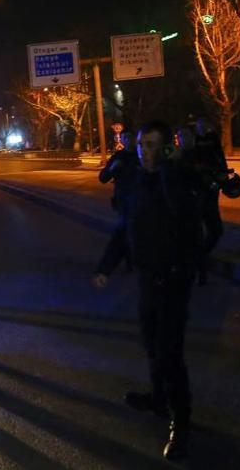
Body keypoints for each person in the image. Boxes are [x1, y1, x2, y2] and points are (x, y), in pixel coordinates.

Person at [93, 121, 202, 460]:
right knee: (151, 346)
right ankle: (158, 399)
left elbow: (188, 222)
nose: (147, 152)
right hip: (146, 279)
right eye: (142, 145)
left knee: (170, 354)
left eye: (155, 145)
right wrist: (105, 267)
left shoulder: (178, 180)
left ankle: (180, 424)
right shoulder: (135, 183)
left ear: (167, 147)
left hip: (173, 282)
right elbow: (124, 228)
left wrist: (170, 169)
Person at [181, 119, 228, 285]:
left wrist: (221, 176)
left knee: (215, 231)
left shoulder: (202, 148)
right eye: (182, 136)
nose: (185, 139)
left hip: (208, 196)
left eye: (187, 135)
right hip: (192, 202)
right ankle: (198, 269)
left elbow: (218, 160)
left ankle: (200, 259)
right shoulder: (177, 157)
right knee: (196, 236)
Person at [95, 131, 140, 275]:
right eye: (126, 138)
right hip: (124, 201)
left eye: (132, 137)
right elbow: (103, 178)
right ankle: (129, 261)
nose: (129, 140)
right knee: (125, 232)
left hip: (141, 200)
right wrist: (113, 168)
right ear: (122, 140)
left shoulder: (141, 155)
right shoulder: (118, 157)